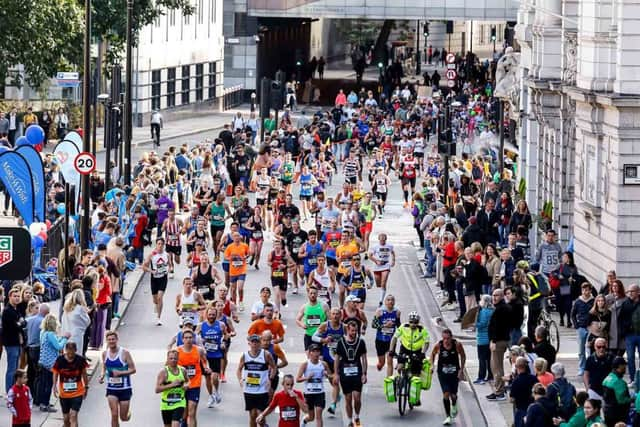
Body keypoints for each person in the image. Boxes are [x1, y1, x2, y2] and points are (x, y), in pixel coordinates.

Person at [237, 334, 277, 427]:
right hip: (249, 389)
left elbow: (274, 367)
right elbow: (239, 369)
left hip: (262, 389)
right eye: (253, 342)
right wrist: (240, 379)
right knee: (252, 415)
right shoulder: (245, 355)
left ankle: (263, 425)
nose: (255, 344)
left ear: (260, 343)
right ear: (249, 343)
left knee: (260, 415)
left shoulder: (266, 354)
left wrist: (270, 379)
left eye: (257, 342)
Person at [333, 320, 367, 427]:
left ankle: (356, 416)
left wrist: (364, 374)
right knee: (348, 399)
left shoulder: (361, 342)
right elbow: (337, 359)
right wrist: (336, 374)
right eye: (352, 331)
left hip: (357, 373)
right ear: (347, 330)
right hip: (345, 374)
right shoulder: (340, 342)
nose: (354, 333)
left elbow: (364, 359)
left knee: (357, 398)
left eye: (356, 331)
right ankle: (349, 421)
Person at [99, 331, 136, 427]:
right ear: (107, 341)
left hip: (125, 389)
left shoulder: (125, 353)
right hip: (111, 389)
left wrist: (121, 373)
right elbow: (104, 366)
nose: (111, 341)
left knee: (123, 418)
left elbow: (133, 369)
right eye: (109, 339)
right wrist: (102, 375)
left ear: (117, 340)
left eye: (113, 339)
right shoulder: (104, 354)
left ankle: (127, 414)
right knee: (114, 414)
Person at [430, 328, 466, 425]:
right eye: (444, 338)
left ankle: (454, 404)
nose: (446, 341)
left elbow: (463, 356)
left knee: (453, 395)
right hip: (443, 372)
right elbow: (432, 355)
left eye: (448, 339)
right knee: (446, 393)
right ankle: (448, 417)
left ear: (451, 338)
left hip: (454, 372)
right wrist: (432, 366)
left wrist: (461, 370)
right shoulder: (439, 345)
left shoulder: (457, 345)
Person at [177, 328, 210, 427]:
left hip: (195, 384)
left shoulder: (199, 350)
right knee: (184, 413)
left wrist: (206, 367)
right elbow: (169, 365)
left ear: (193, 339)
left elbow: (204, 360)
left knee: (192, 412)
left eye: (190, 337)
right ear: (182, 339)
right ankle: (183, 423)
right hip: (181, 385)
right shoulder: (177, 351)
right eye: (186, 338)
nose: (188, 340)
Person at [196, 305, 228, 407]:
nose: (211, 316)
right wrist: (201, 341)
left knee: (214, 376)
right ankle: (211, 396)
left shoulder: (221, 325)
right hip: (205, 355)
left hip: (216, 354)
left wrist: (224, 343)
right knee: (207, 377)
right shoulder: (201, 325)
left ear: (216, 315)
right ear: (206, 315)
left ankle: (216, 391)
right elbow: (195, 337)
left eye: (213, 315)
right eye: (210, 314)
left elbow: (226, 335)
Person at [38, 313, 70, 412]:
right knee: (49, 384)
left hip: (43, 361)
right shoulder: (51, 334)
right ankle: (45, 404)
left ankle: (43, 402)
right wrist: (65, 338)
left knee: (43, 384)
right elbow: (59, 346)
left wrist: (60, 339)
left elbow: (54, 342)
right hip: (50, 363)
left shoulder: (43, 332)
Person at [52, 341, 89, 427]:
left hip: (77, 393)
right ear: (65, 350)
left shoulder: (80, 360)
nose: (70, 353)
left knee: (73, 415)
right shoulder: (60, 360)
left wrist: (86, 387)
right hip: (64, 394)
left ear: (75, 350)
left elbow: (84, 374)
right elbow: (55, 373)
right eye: (68, 350)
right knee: (66, 419)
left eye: (72, 350)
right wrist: (54, 386)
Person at [296, 343, 332, 426]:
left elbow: (331, 377)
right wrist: (307, 378)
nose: (316, 353)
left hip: (320, 393)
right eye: (314, 351)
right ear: (309, 353)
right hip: (309, 393)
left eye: (318, 351)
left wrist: (327, 375)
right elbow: (297, 379)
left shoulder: (323, 364)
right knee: (311, 417)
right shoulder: (305, 364)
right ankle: (305, 420)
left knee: (319, 415)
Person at [389, 311, 430, 378]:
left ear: (418, 322)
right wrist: (391, 350)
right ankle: (401, 380)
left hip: (417, 351)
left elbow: (427, 342)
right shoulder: (403, 327)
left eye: (415, 322)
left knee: (415, 373)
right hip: (404, 349)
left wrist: (423, 353)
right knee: (399, 368)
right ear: (408, 321)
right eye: (411, 322)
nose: (413, 324)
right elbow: (394, 338)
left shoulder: (422, 330)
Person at [486, 288, 511, 401]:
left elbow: (498, 327)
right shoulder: (501, 308)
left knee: (496, 367)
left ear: (501, 296)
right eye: (493, 295)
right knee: (495, 366)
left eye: (496, 295)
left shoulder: (501, 309)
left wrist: (493, 341)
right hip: (501, 339)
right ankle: (498, 390)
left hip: (498, 341)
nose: (494, 298)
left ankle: (499, 392)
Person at [155, 349, 189, 427]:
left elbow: (188, 381)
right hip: (166, 404)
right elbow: (157, 389)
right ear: (167, 359)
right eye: (171, 358)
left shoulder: (183, 370)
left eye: (175, 358)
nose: (173, 360)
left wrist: (186, 385)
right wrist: (172, 385)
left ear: (178, 359)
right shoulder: (163, 372)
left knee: (175, 424)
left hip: (179, 403)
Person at [2, 286, 26, 393]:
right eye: (14, 296)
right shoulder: (8, 311)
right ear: (9, 297)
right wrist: (20, 323)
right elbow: (15, 326)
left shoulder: (16, 309)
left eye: (18, 296)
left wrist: (20, 323)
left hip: (17, 342)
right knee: (12, 368)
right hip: (11, 343)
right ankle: (9, 391)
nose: (17, 298)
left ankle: (13, 388)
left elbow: (23, 322)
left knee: (16, 367)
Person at [143, 238, 170, 325]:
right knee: (155, 300)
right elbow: (144, 267)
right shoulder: (152, 255)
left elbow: (171, 265)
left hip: (163, 278)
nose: (160, 246)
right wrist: (152, 271)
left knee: (160, 297)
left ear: (164, 245)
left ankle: (158, 318)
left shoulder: (167, 255)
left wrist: (168, 270)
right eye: (158, 244)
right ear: (156, 245)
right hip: (154, 278)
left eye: (162, 244)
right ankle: (156, 305)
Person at [296, 286, 330, 351]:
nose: (312, 295)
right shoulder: (304, 307)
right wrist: (302, 324)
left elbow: (330, 320)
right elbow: (297, 320)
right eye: (311, 293)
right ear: (308, 294)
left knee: (319, 357)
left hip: (320, 335)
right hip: (308, 335)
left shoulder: (324, 305)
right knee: (309, 357)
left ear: (317, 294)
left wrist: (325, 327)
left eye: (314, 293)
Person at [571, 282, 595, 376]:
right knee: (581, 350)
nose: (586, 292)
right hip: (581, 327)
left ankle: (590, 367)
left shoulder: (593, 300)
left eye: (587, 290)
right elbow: (573, 314)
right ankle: (582, 367)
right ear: (582, 291)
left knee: (590, 348)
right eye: (584, 290)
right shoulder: (578, 301)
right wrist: (576, 325)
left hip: (591, 327)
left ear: (590, 290)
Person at [61, 289, 91, 358]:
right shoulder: (80, 308)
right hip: (77, 334)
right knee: (76, 353)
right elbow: (87, 321)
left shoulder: (66, 308)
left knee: (67, 354)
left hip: (67, 333)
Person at [602, 356, 631, 426]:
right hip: (617, 415)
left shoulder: (606, 378)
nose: (625, 368)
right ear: (620, 366)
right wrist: (632, 399)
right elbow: (622, 400)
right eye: (624, 366)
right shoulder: (619, 382)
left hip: (606, 412)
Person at [510, 357, 539, 427]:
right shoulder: (534, 378)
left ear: (516, 367)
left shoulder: (516, 381)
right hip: (533, 408)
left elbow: (512, 399)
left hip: (521, 410)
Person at [475, 294, 494, 384]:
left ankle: (481, 377)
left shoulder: (483, 312)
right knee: (489, 359)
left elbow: (482, 324)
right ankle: (490, 375)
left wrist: (474, 324)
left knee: (481, 359)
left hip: (482, 339)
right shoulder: (492, 311)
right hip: (490, 338)